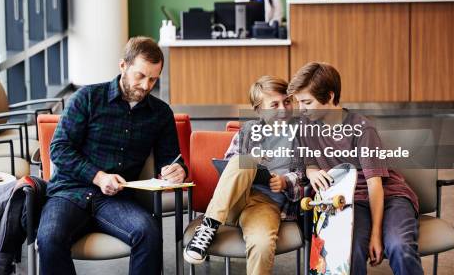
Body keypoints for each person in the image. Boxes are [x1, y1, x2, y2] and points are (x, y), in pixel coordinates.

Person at [38, 36, 186, 275]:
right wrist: (98, 176)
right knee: (49, 238)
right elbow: (59, 149)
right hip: (69, 192)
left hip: (117, 200)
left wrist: (177, 170)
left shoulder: (160, 113)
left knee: (148, 233)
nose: (146, 85)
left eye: (153, 79)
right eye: (140, 76)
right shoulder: (87, 98)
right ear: (123, 66)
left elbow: (170, 159)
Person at [287, 62, 423, 275]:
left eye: (307, 102)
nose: (301, 109)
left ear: (330, 97)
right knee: (348, 254)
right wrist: (312, 171)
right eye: (299, 102)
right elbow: (307, 159)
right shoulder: (305, 125)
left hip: (388, 197)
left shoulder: (362, 128)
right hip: (348, 200)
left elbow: (374, 184)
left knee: (400, 247)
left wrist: (376, 235)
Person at [184, 76, 303, 275]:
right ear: (259, 110)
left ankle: (210, 223)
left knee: (263, 243)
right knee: (243, 162)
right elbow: (229, 164)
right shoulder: (248, 131)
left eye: (287, 101)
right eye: (274, 104)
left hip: (266, 204)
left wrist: (285, 182)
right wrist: (253, 160)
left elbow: (306, 175)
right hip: (232, 202)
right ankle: (209, 226)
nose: (283, 109)